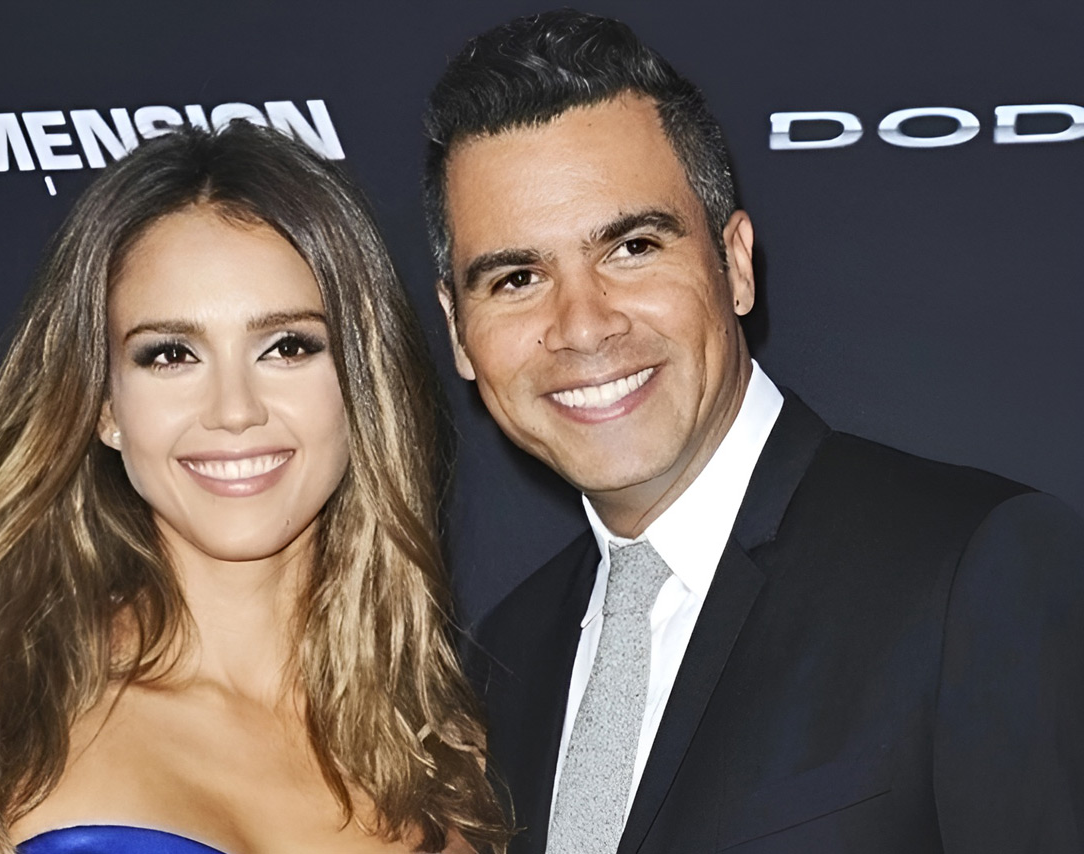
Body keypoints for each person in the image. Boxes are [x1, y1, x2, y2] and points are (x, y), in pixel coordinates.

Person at [423, 9, 1084, 854]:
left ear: (733, 263)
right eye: (517, 278)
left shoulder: (974, 573)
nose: (582, 325)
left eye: (631, 247)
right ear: (459, 333)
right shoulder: (505, 656)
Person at [0, 123, 508, 854]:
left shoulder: (449, 764)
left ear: (362, 384)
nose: (234, 410)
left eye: (287, 346)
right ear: (104, 405)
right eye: (170, 355)